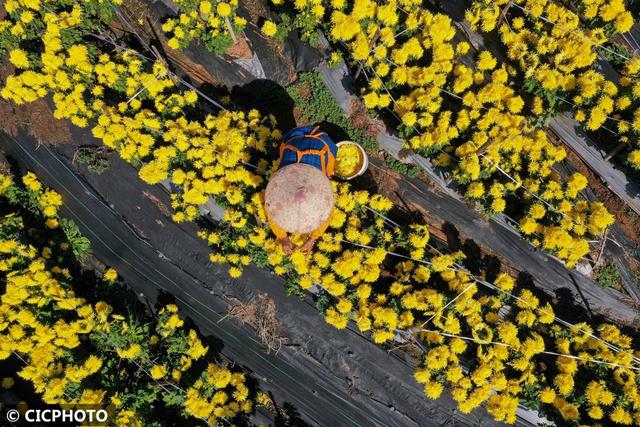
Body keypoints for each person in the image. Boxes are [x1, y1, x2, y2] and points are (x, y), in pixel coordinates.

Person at [264, 125, 337, 254]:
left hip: (318, 141)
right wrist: (286, 238)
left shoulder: (320, 194)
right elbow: (270, 208)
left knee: (329, 171)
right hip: (294, 138)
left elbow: (328, 213)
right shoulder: (279, 188)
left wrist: (285, 237)